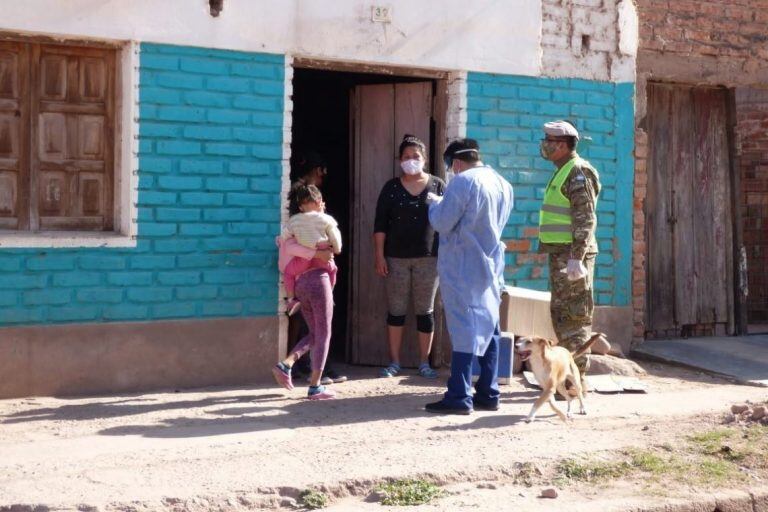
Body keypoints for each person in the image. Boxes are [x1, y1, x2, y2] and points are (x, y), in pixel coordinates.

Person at [424, 139, 513, 414]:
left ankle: (459, 395)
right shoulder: (503, 183)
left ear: (457, 163)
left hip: (462, 266)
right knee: (490, 327)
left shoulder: (462, 182)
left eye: (451, 167)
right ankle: (488, 391)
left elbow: (442, 222)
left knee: (463, 327)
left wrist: (433, 204)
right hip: (490, 265)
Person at [373, 134, 446, 379]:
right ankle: (394, 362)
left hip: (429, 259)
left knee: (425, 312)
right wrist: (379, 256)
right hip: (395, 258)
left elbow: (448, 220)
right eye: (406, 157)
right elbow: (380, 225)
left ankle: (424, 362)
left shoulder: (437, 185)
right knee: (396, 310)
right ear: (399, 160)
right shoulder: (391, 188)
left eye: (416, 156)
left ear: (424, 159)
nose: (411, 160)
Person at [537, 120, 601, 389]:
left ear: (562, 146)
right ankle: (566, 377)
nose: (545, 146)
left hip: (573, 258)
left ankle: (576, 382)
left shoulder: (577, 172)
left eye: (549, 142)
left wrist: (577, 257)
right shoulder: (563, 170)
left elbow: (586, 219)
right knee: (562, 318)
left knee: (574, 319)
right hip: (563, 255)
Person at [272, 186, 342, 400]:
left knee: (314, 333)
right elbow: (337, 247)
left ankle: (286, 364)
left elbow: (285, 247)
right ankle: (315, 385)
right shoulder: (324, 222)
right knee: (324, 334)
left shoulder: (293, 227)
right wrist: (325, 250)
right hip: (319, 281)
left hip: (301, 285)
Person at [285, 151, 347, 385]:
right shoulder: (299, 199)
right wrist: (317, 252)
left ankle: (311, 367)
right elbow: (293, 240)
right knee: (316, 323)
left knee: (312, 321)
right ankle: (310, 371)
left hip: (306, 268)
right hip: (309, 267)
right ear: (318, 171)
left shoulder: (305, 199)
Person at [281, 185, 341, 316]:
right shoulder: (326, 219)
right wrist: (336, 249)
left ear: (301, 207)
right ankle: (329, 295)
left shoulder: (295, 221)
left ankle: (291, 300)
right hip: (323, 256)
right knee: (333, 270)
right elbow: (335, 236)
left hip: (304, 262)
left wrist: (280, 240)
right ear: (319, 203)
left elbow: (285, 238)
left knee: (288, 273)